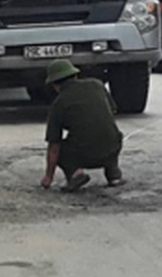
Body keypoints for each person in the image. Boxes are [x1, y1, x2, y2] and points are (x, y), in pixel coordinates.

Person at [40, 59, 125, 193]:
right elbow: (112, 111)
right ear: (75, 75)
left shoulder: (59, 104)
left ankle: (76, 174)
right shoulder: (97, 84)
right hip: (114, 147)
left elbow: (53, 146)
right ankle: (113, 174)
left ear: (55, 85)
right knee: (110, 135)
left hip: (86, 155)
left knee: (61, 149)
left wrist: (48, 177)